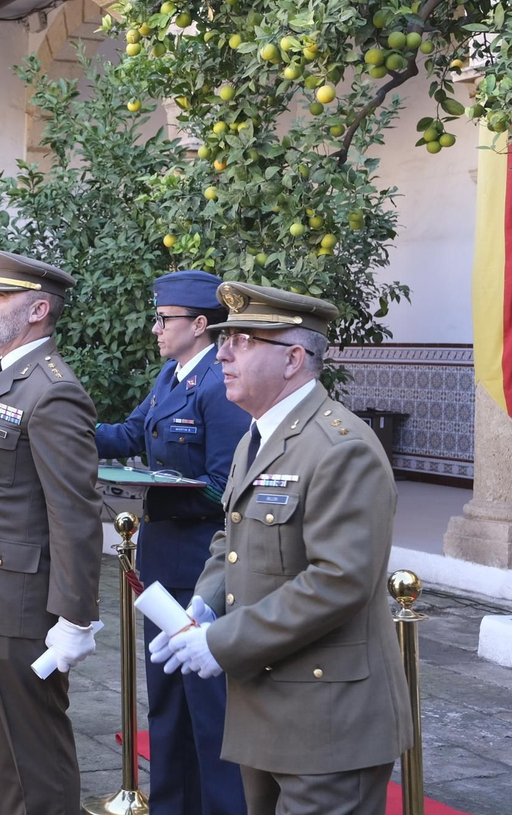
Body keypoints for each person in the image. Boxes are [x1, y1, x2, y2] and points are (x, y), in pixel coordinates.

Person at [153, 281, 411, 815]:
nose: (222, 353)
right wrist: (206, 601)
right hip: (269, 707)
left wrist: (222, 641)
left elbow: (338, 581)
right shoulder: (262, 432)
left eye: (242, 341)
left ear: (293, 358)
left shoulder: (341, 448)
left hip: (328, 721)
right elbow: (233, 536)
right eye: (225, 340)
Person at [0, 251, 104, 815]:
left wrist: (76, 616)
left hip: (23, 599)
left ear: (37, 309)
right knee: (5, 744)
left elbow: (76, 512)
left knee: (35, 752)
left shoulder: (52, 389)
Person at [93, 271, 249, 815]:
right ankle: (171, 806)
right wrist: (67, 426)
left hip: (200, 566)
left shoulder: (217, 384)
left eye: (165, 319)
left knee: (208, 707)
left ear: (200, 324)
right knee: (166, 701)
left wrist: (150, 496)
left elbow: (226, 487)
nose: (156, 327)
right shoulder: (171, 374)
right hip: (161, 562)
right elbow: (132, 435)